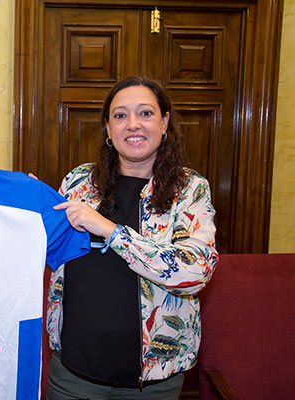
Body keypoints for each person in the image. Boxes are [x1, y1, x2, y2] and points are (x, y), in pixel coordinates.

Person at [45, 75, 219, 399]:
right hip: (72, 375)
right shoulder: (79, 182)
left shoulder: (190, 190)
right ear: (108, 128)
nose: (133, 125)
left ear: (165, 122)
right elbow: (43, 245)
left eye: (146, 113)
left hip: (151, 384)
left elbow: (195, 273)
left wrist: (109, 230)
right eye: (120, 115)